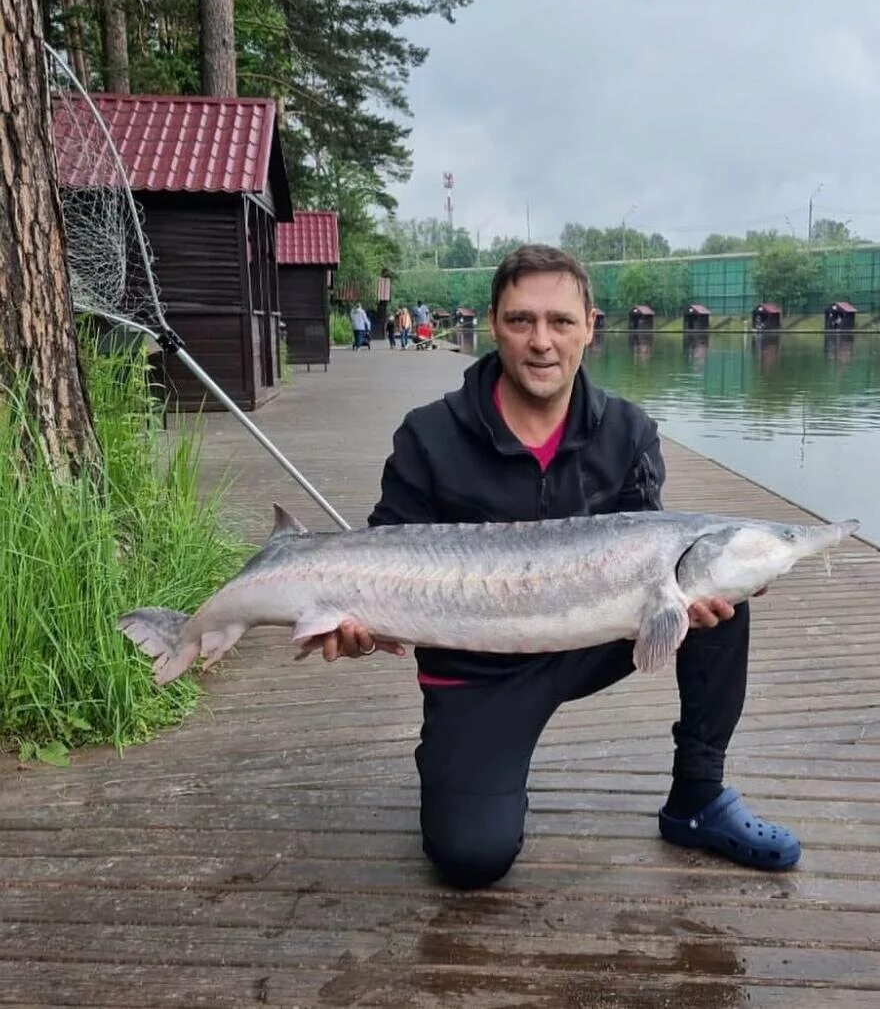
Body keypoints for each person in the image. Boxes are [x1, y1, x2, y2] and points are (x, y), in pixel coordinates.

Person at [303, 245, 800, 889]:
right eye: (521, 321)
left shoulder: (629, 432)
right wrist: (358, 627)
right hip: (477, 671)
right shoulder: (428, 436)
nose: (542, 342)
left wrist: (684, 602)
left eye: (561, 322)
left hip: (590, 638)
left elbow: (649, 547)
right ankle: (474, 775)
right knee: (471, 859)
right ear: (492, 323)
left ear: (590, 326)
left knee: (721, 587)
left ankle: (698, 799)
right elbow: (381, 562)